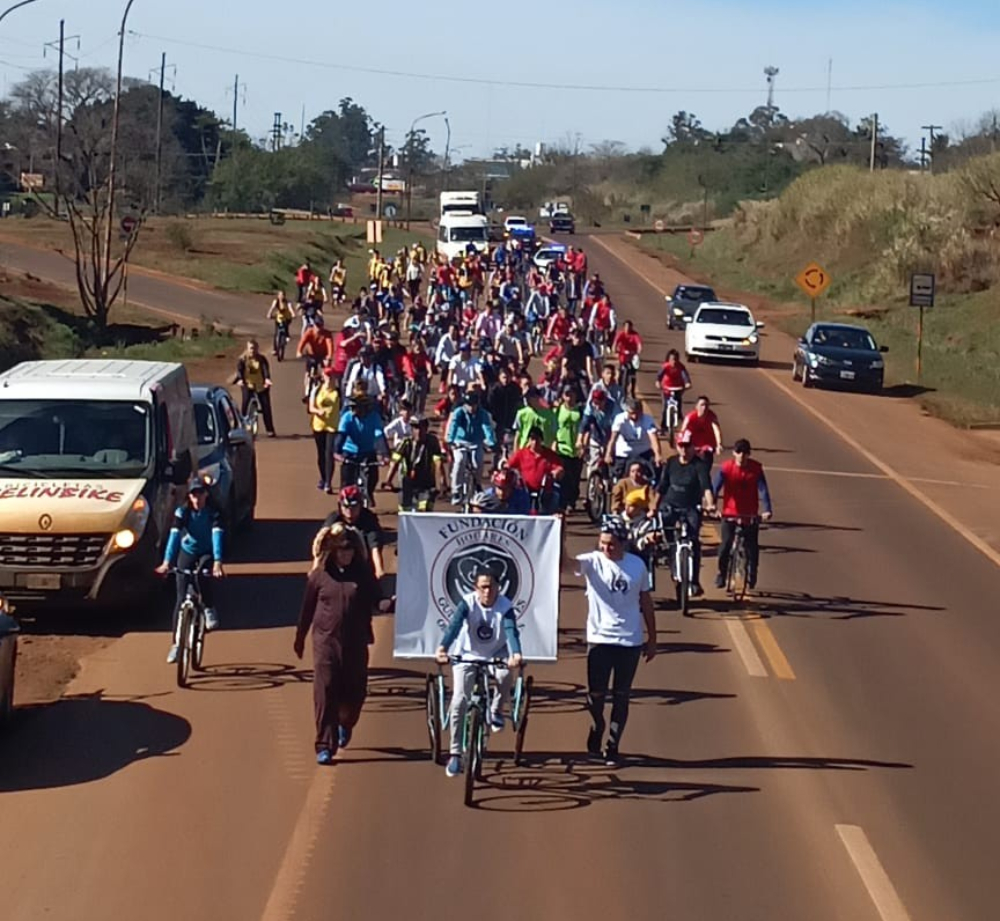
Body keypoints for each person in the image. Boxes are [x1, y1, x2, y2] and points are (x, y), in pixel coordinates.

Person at [568, 515, 656, 765]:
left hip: (629, 642)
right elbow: (565, 564)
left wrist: (653, 638)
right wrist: (561, 529)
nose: (606, 548)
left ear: (623, 543)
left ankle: (613, 746)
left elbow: (646, 603)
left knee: (621, 695)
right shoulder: (592, 562)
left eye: (611, 544)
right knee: (596, 695)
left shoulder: (637, 566)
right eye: (603, 542)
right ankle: (597, 726)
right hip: (600, 640)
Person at [294, 524, 379, 765]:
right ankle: (324, 744)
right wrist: (300, 637)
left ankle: (346, 723)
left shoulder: (362, 575)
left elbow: (378, 599)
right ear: (332, 552)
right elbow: (307, 609)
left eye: (350, 550)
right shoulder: (319, 576)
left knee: (355, 693)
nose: (346, 554)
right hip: (325, 643)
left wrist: (391, 604)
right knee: (325, 691)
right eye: (341, 550)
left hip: (356, 643)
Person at [435, 567, 524, 777]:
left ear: (498, 588)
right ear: (476, 589)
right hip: (467, 654)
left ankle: (495, 710)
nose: (487, 591)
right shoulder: (467, 603)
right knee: (459, 700)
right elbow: (454, 627)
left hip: (496, 653)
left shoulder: (505, 606)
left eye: (492, 587)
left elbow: (511, 631)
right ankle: (455, 754)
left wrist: (516, 654)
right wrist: (442, 649)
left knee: (504, 676)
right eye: (483, 587)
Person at [156, 476, 225, 663]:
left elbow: (217, 536)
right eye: (193, 495)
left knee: (203, 576)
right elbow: (174, 536)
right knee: (180, 598)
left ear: (206, 494)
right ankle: (176, 645)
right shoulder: (182, 512)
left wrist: (218, 561)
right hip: (187, 552)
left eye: (200, 494)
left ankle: (209, 608)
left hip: (206, 552)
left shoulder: (214, 512)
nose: (197, 499)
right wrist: (166, 562)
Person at [650, 430, 716, 598]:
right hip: (670, 506)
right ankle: (673, 565)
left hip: (691, 507)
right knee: (668, 539)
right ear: (677, 447)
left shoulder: (699, 465)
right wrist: (653, 507)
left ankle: (694, 581)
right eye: (681, 446)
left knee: (693, 541)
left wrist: (711, 504)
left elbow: (706, 486)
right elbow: (662, 486)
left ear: (693, 447)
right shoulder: (671, 463)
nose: (684, 450)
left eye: (687, 446)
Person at [713, 439, 773, 590]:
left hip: (749, 513)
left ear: (748, 454)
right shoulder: (726, 468)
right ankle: (722, 573)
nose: (741, 456)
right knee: (725, 545)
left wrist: (767, 509)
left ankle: (752, 573)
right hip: (730, 513)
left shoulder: (756, 469)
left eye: (745, 453)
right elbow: (715, 488)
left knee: (752, 547)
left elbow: (763, 490)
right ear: (734, 453)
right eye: (738, 452)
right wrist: (712, 506)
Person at [333, 394, 389, 505]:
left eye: (355, 407)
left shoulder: (374, 417)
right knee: (346, 482)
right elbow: (341, 436)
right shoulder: (347, 417)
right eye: (351, 408)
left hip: (367, 451)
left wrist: (385, 454)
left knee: (373, 476)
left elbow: (379, 436)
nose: (352, 410)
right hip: (349, 452)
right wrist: (337, 452)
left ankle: (369, 492)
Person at [322, 485, 387, 579]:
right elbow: (321, 544)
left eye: (354, 507)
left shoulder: (369, 519)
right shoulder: (333, 519)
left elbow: (374, 547)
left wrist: (379, 569)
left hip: (363, 565)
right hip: (336, 565)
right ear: (340, 506)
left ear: (360, 505)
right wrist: (316, 569)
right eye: (346, 507)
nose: (349, 511)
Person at [445, 390, 497, 504]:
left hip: (476, 442)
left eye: (473, 405)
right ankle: (456, 490)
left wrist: (491, 442)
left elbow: (486, 427)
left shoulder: (482, 414)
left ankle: (477, 483)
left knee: (478, 462)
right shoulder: (459, 412)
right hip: (460, 441)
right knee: (459, 461)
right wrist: (450, 440)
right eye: (469, 405)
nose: (471, 408)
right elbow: (453, 426)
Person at [387, 417, 446, 512]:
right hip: (408, 482)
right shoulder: (405, 442)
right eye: (415, 428)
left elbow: (438, 463)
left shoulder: (432, 441)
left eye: (421, 428)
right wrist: (388, 481)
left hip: (426, 483)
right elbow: (395, 462)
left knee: (425, 510)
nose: (418, 431)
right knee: (405, 512)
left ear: (426, 429)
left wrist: (443, 482)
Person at [507, 426, 564, 514]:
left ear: (541, 440)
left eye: (537, 439)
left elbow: (559, 467)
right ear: (529, 440)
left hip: (545, 490)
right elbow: (508, 465)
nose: (535, 442)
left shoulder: (549, 454)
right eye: (532, 439)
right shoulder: (521, 453)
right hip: (524, 489)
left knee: (556, 496)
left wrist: (557, 471)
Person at [605, 398, 661, 479]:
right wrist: (608, 453)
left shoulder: (647, 419)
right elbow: (613, 438)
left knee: (655, 472)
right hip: (624, 454)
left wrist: (657, 455)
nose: (634, 416)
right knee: (616, 476)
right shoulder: (620, 419)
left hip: (643, 453)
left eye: (637, 413)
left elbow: (653, 438)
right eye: (631, 413)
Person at [233, 339, 276, 437]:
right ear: (247, 349)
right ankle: (242, 428)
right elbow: (239, 371)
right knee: (245, 405)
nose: (253, 351)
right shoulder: (243, 359)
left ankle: (270, 429)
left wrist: (267, 379)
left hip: (261, 385)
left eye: (255, 348)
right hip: (248, 385)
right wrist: (240, 380)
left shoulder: (262, 359)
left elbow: (266, 371)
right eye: (251, 348)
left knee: (266, 407)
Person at [308, 367, 340, 494]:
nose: (329, 379)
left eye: (331, 376)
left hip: (332, 427)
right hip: (318, 426)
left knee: (329, 454)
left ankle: (328, 482)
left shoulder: (338, 392)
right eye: (327, 376)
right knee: (321, 454)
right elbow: (310, 407)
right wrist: (318, 411)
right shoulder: (316, 390)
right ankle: (323, 477)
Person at [553, 385, 583, 512]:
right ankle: (563, 503)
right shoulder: (558, 410)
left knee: (574, 478)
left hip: (576, 449)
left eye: (571, 394)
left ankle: (572, 501)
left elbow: (585, 428)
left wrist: (583, 444)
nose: (569, 398)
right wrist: (554, 442)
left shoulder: (580, 410)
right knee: (563, 477)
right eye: (566, 395)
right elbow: (554, 427)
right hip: (562, 448)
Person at [678, 395, 723, 469]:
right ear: (696, 406)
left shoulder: (711, 416)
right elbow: (683, 431)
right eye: (702, 405)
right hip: (693, 445)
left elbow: (716, 430)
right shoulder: (690, 417)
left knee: (706, 465)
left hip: (707, 445)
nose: (704, 407)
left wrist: (719, 444)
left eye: (706, 405)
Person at [656, 349, 692, 432]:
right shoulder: (665, 366)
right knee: (665, 408)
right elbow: (659, 375)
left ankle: (680, 420)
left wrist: (687, 383)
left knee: (678, 406)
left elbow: (685, 376)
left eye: (676, 359)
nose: (674, 361)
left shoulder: (681, 367)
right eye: (672, 359)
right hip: (667, 389)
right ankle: (663, 427)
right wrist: (658, 382)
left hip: (678, 388)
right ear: (668, 359)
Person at [613, 320, 643, 398]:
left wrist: (638, 351)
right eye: (626, 327)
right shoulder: (621, 334)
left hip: (632, 357)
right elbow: (615, 342)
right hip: (622, 357)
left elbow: (639, 344)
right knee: (620, 373)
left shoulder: (635, 335)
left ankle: (632, 390)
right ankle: (619, 389)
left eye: (629, 327)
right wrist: (615, 349)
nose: (627, 329)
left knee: (633, 374)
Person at [267, 291, 295, 356]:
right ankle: (275, 349)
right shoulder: (276, 301)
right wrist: (269, 314)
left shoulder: (288, 302)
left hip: (286, 318)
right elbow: (272, 308)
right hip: (278, 318)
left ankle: (287, 335)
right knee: (276, 333)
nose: (281, 296)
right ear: (278, 295)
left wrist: (293, 314)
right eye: (280, 295)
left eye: (283, 295)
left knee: (286, 326)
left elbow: (290, 308)